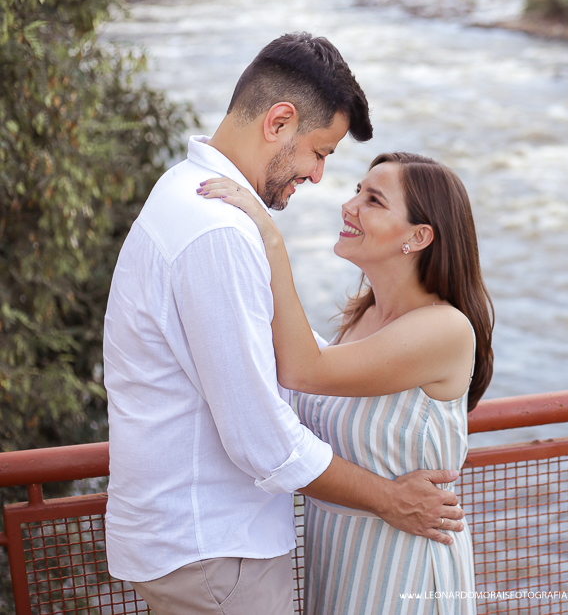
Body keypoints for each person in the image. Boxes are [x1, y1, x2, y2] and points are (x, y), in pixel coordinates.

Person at [103, 33, 464, 615]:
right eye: (320, 152)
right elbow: (261, 441)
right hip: (215, 551)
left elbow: (289, 360)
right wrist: (390, 499)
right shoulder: (218, 231)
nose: (320, 177)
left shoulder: (182, 194)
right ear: (279, 122)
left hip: (200, 547)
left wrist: (270, 244)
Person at [197, 150, 494, 614]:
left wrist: (269, 239)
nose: (349, 205)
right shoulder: (364, 314)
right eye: (358, 190)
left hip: (404, 567)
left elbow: (303, 369)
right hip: (336, 555)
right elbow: (290, 360)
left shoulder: (445, 329)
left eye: (373, 199)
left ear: (418, 236)